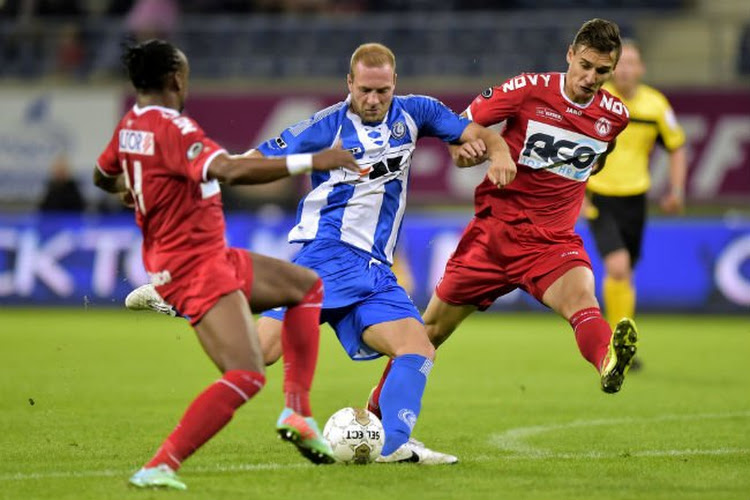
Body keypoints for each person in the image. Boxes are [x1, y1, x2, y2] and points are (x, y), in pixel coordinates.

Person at [127, 42, 512, 464]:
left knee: (417, 348)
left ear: (395, 84)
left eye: (382, 90)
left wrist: (497, 153)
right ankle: (178, 296)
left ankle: (393, 443)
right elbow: (250, 160)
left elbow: (476, 133)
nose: (373, 99)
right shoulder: (325, 126)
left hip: (374, 269)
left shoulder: (416, 112)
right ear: (349, 83)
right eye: (365, 89)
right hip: (330, 255)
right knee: (259, 356)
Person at [95, 39, 359, 490]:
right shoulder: (175, 129)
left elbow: (103, 177)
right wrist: (312, 160)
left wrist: (138, 187)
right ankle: (160, 464)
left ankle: (298, 412)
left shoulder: (130, 126)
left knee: (306, 287)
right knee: (246, 374)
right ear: (176, 78)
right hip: (193, 266)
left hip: (208, 256)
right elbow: (231, 171)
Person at [364, 19, 640, 417]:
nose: (590, 78)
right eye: (585, 65)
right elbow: (460, 129)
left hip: (552, 243)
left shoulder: (614, 116)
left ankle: (607, 362)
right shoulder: (527, 90)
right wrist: (485, 152)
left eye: (602, 71)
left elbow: (599, 157)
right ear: (570, 55)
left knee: (583, 302)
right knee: (430, 332)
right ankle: (375, 410)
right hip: (493, 236)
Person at [585, 39, 686, 370]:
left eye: (632, 63)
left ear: (641, 68)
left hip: (636, 198)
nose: (626, 69)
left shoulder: (656, 105)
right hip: (599, 195)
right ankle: (616, 339)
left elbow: (676, 146)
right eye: (621, 63)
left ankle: (622, 344)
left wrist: (677, 189)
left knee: (625, 273)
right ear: (612, 68)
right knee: (617, 266)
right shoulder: (598, 100)